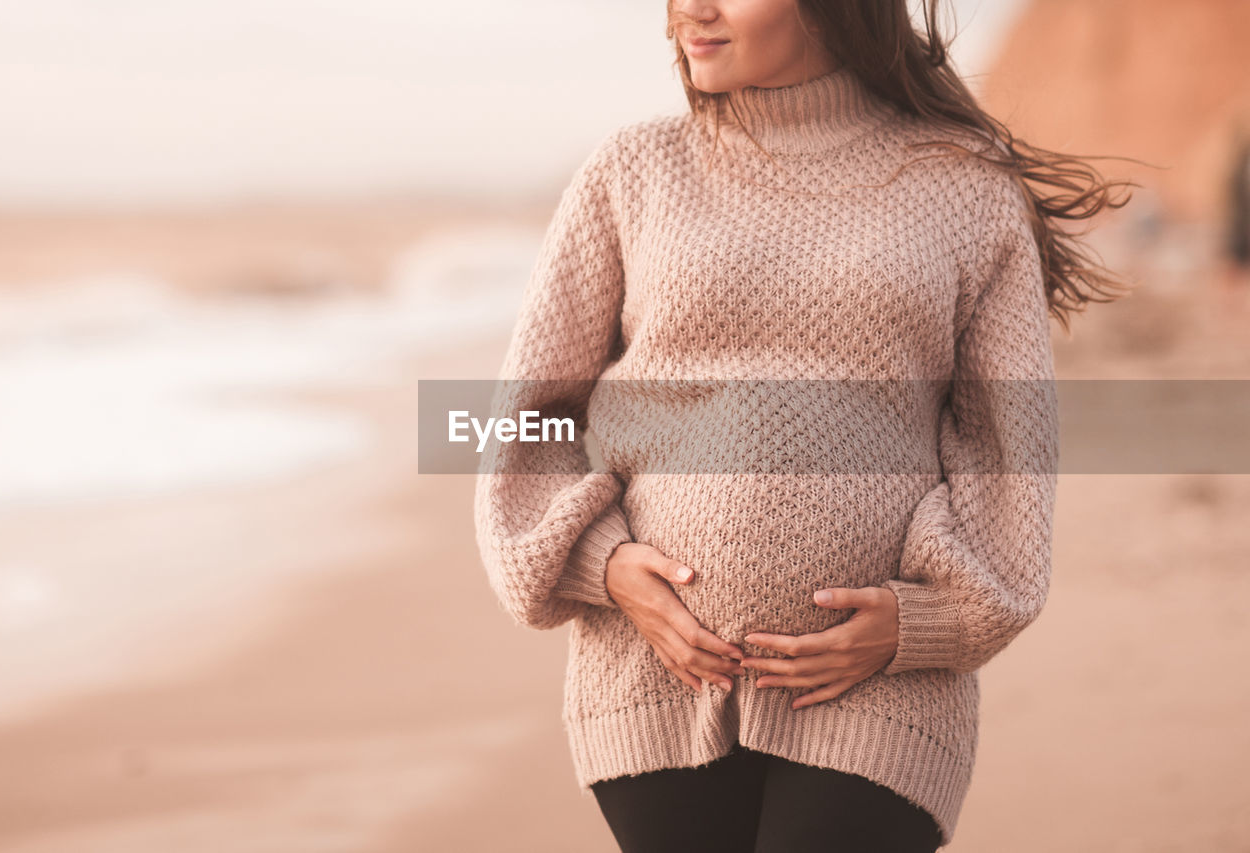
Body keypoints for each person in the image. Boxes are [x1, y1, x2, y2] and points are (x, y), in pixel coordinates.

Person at [473, 1, 1131, 850]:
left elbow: (1009, 453)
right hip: (655, 682)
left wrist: (926, 620)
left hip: (882, 694)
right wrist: (608, 565)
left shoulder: (963, 183)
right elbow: (525, 420)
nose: (690, 10)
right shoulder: (634, 171)